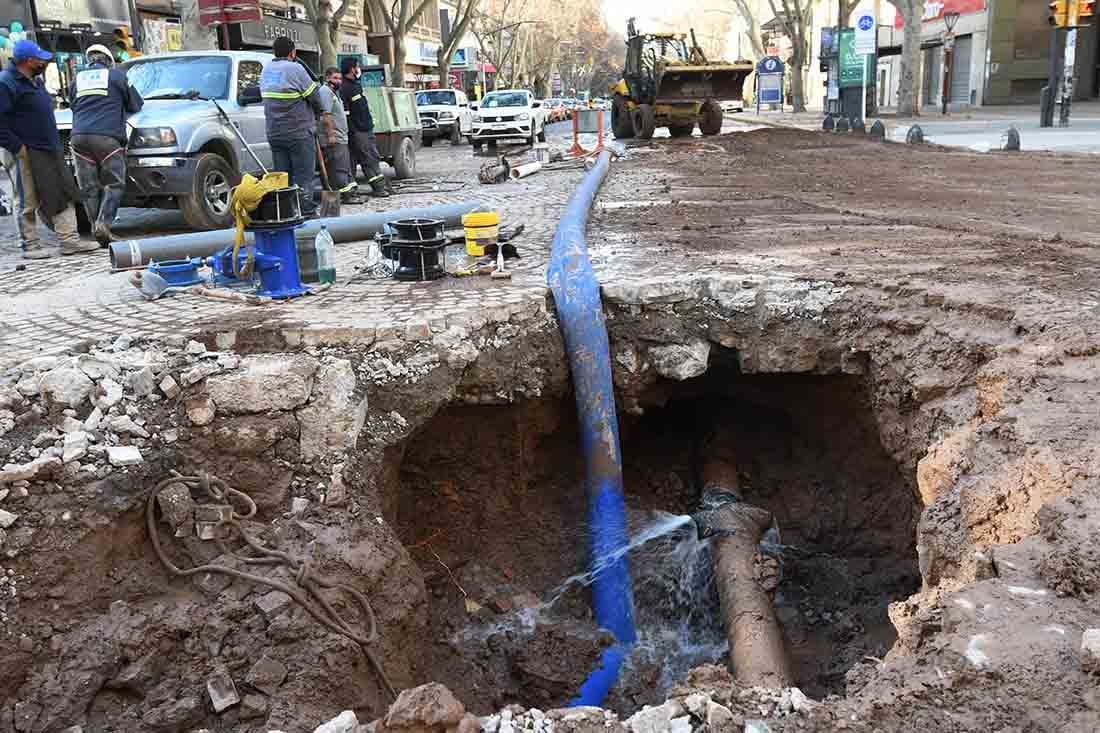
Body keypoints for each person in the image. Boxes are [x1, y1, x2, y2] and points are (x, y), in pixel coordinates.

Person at [0, 40, 97, 259]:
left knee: (62, 192)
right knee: (27, 198)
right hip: (23, 151)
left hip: (49, 148)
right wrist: (18, 148)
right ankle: (30, 245)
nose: (44, 61)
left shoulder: (35, 80)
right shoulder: (6, 83)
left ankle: (69, 240)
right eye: (39, 59)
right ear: (28, 61)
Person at [69, 43, 143, 246]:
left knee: (88, 187)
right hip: (107, 139)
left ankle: (95, 228)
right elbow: (136, 103)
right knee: (115, 183)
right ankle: (104, 224)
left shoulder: (76, 79)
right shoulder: (117, 76)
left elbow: (73, 104)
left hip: (78, 138)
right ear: (109, 61)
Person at [260, 36, 323, 215]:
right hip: (299, 132)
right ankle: (306, 209)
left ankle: (286, 212)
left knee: (282, 177)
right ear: (292, 52)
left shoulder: (267, 70)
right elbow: (315, 96)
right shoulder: (295, 68)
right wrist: (318, 113)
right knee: (303, 175)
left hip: (274, 133)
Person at [339, 57, 389, 198]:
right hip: (359, 132)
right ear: (351, 69)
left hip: (362, 130)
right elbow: (347, 114)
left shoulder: (355, 85)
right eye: (357, 66)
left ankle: (354, 192)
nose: (358, 68)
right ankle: (378, 189)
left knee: (356, 161)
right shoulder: (346, 88)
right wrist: (353, 131)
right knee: (369, 159)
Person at [317, 67, 362, 204]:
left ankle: (346, 195)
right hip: (334, 138)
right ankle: (345, 197)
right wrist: (331, 135)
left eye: (340, 78)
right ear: (327, 78)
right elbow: (326, 115)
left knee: (343, 168)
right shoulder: (325, 92)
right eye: (335, 78)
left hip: (341, 137)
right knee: (338, 170)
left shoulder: (334, 92)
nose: (339, 81)